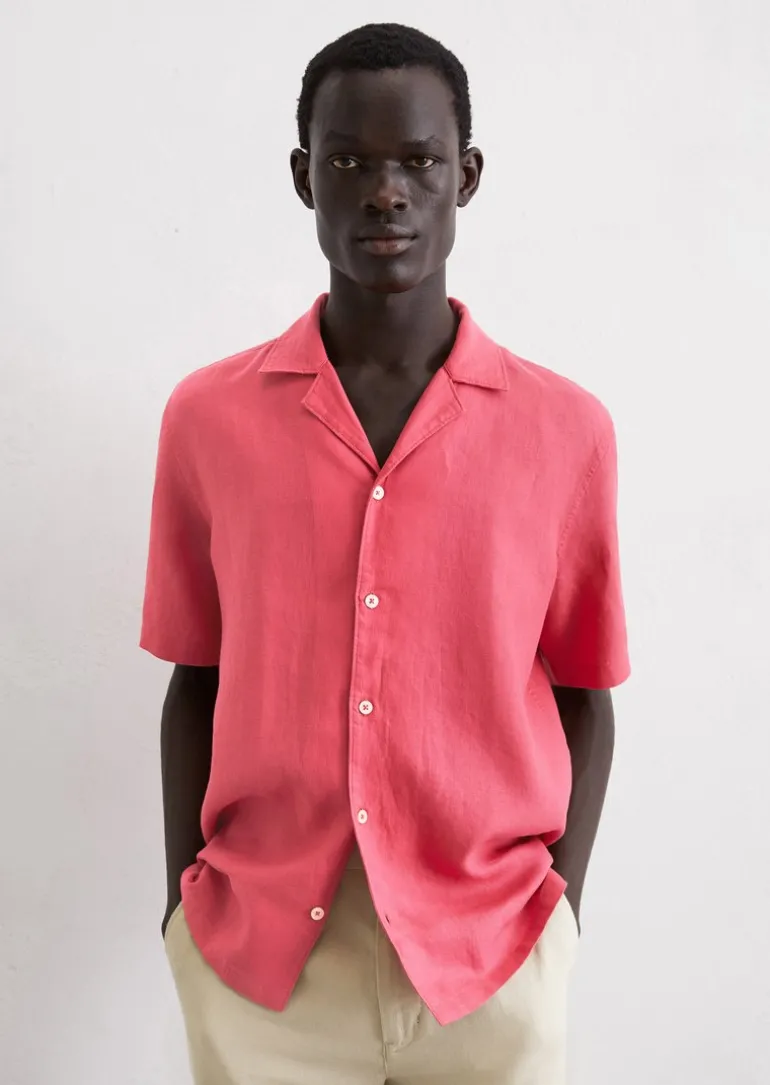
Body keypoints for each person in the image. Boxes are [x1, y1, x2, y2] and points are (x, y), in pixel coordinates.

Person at [140, 21, 630, 1085]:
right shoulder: (207, 420)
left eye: (416, 161)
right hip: (262, 962)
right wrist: (182, 909)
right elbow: (196, 678)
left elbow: (584, 694)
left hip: (491, 956)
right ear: (302, 177)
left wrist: (560, 919)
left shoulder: (565, 430)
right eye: (349, 161)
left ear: (466, 175)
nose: (385, 193)